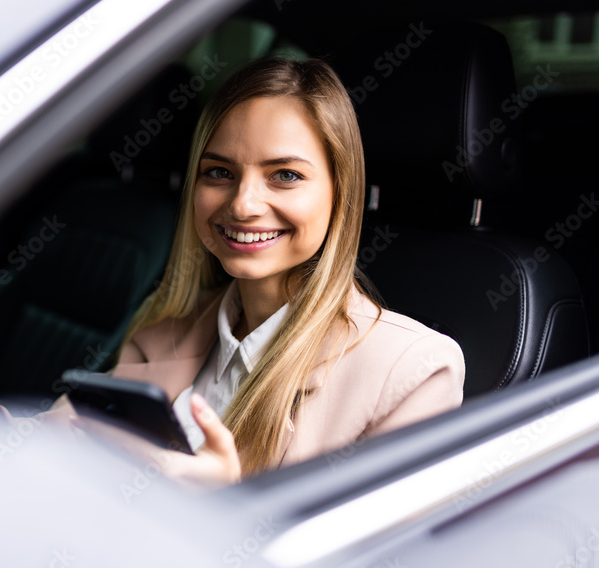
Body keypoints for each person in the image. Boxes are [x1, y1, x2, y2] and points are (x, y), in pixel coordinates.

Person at [83, 56, 464, 487]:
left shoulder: (412, 370)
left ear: (341, 193)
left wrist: (220, 502)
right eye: (219, 172)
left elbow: (370, 553)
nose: (243, 204)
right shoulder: (165, 322)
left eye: (285, 175)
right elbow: (76, 442)